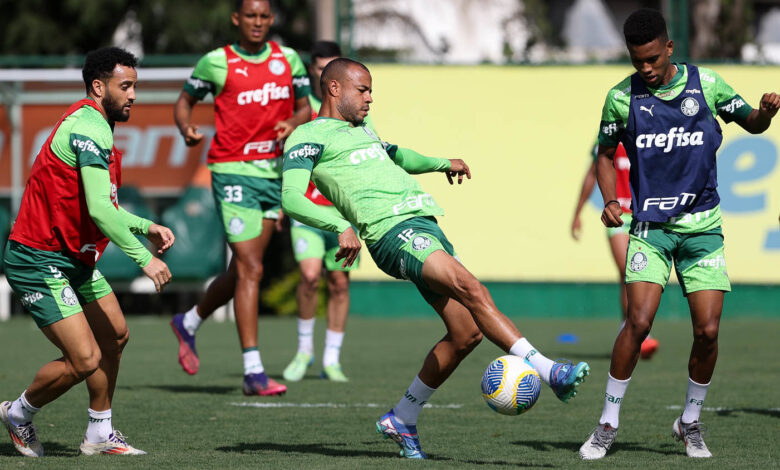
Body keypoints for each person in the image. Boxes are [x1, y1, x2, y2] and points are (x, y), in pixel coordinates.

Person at [281, 58, 590, 460]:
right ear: (334, 88)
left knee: (466, 334)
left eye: (371, 91)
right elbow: (291, 197)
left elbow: (398, 156)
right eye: (363, 90)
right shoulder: (308, 136)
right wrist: (338, 224)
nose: (370, 98)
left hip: (424, 224)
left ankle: (402, 417)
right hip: (391, 232)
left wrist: (443, 163)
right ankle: (550, 371)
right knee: (471, 287)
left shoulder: (365, 130)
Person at [579, 8, 779, 460]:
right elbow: (604, 155)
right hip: (651, 229)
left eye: (652, 58)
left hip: (702, 227)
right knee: (638, 322)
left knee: (707, 330)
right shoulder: (621, 98)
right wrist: (610, 200)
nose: (646, 68)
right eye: (637, 61)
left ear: (669, 48)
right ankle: (607, 423)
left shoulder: (706, 85)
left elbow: (751, 121)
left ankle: (689, 421)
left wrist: (765, 114)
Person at [0, 47, 174, 457]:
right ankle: (18, 413)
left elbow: (105, 207)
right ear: (98, 86)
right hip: (37, 257)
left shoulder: (100, 128)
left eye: (135, 86)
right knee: (83, 359)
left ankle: (99, 433)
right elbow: (99, 210)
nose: (133, 95)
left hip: (72, 257)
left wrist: (146, 226)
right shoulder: (88, 127)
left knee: (115, 335)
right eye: (125, 86)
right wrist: (144, 258)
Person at [169, 0, 311, 396]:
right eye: (251, 16)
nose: (258, 22)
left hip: (273, 175)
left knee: (243, 270)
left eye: (264, 16)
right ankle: (253, 372)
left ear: (271, 19)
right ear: (237, 18)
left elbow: (305, 108)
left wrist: (293, 121)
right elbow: (184, 101)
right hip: (232, 171)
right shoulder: (217, 62)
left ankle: (189, 322)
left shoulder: (289, 60)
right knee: (251, 267)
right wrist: (185, 127)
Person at [282, 40, 367, 383]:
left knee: (339, 283)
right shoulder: (301, 114)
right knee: (309, 276)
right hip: (308, 213)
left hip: (341, 214)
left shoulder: (354, 115)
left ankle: (331, 359)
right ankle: (304, 351)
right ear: (315, 73)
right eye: (320, 68)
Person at [571, 141, 659, 359]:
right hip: (619, 215)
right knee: (628, 269)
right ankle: (632, 329)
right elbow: (592, 173)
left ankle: (634, 328)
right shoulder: (609, 135)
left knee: (642, 273)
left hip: (644, 214)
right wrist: (578, 213)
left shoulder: (649, 131)